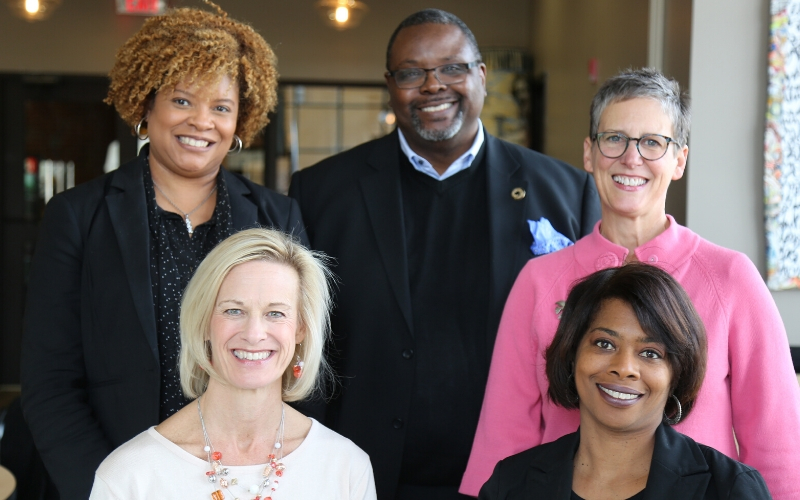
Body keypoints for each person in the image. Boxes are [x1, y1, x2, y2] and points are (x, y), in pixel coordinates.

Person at [289, 9, 601, 500]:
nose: (434, 85)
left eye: (452, 68)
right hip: (364, 469)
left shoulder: (565, 192)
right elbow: (302, 339)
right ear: (390, 86)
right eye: (411, 73)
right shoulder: (322, 193)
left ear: (482, 76)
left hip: (517, 472)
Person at [461, 68, 800, 498]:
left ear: (679, 160)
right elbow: (504, 436)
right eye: (614, 139)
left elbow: (777, 443)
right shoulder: (539, 281)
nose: (631, 158)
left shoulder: (730, 278)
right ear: (589, 154)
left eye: (652, 143)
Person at [20, 4, 305, 498]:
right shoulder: (78, 217)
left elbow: (298, 357)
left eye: (221, 107)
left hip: (246, 477)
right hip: (114, 473)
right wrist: (105, 488)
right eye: (182, 100)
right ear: (145, 106)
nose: (202, 121)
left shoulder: (277, 216)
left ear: (241, 120)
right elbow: (50, 383)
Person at [88, 228, 376, 499]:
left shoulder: (346, 467)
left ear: (301, 328)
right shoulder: (129, 475)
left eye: (275, 313)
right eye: (234, 310)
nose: (253, 334)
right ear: (203, 323)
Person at [479, 264, 772, 500]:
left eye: (650, 353)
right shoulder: (510, 484)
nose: (624, 369)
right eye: (604, 344)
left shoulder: (730, 488)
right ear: (572, 354)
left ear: (676, 374)